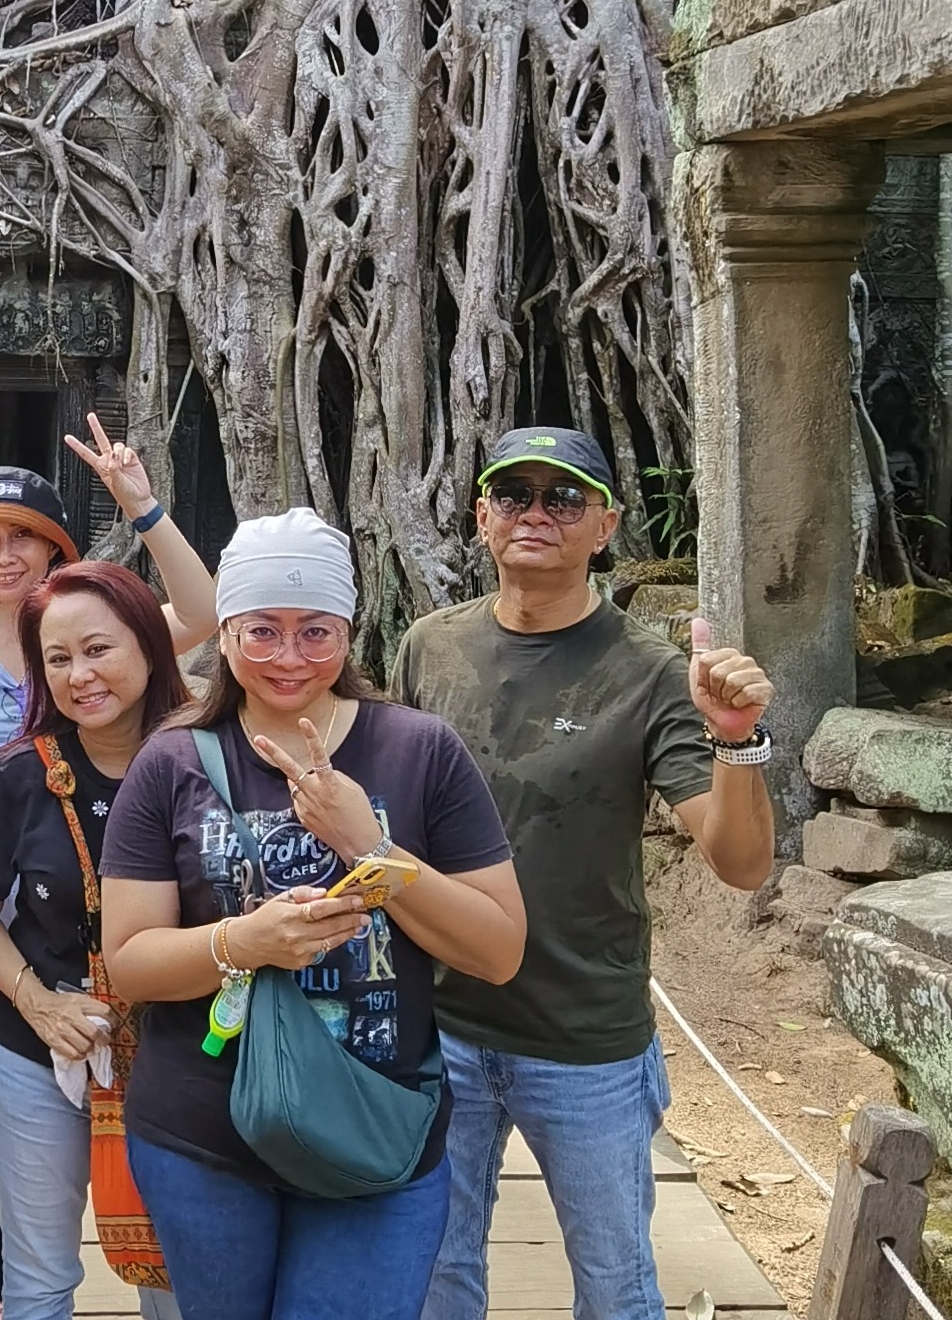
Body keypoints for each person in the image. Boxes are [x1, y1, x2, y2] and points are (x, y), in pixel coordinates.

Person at [390, 426, 777, 1320]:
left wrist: (736, 744)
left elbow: (740, 864)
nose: (535, 514)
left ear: (603, 525)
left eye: (562, 497)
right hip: (438, 1019)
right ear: (481, 516)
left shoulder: (649, 673)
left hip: (582, 1035)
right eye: (512, 494)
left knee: (614, 1282)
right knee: (433, 1271)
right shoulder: (427, 648)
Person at [101, 508, 526, 1320]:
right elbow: (129, 962)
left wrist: (372, 848)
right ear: (223, 633)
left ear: (348, 630)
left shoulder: (419, 750)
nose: (288, 658)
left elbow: (499, 951)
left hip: (377, 1120)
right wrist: (243, 941)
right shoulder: (172, 760)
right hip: (203, 1132)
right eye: (260, 631)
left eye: (315, 632)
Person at [0, 426, 219, 1320]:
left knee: (16, 1150)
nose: (2, 552)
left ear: (53, 547)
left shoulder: (92, 636)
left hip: (102, 951)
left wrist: (142, 506)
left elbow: (203, 609)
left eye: (21, 534)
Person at [0, 562, 191, 1320]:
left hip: (181, 1051)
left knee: (175, 1268)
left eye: (98, 649)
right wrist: (35, 1002)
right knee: (38, 1276)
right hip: (38, 1049)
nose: (80, 675)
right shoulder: (24, 775)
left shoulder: (205, 763)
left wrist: (141, 504)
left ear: (149, 645)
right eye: (57, 659)